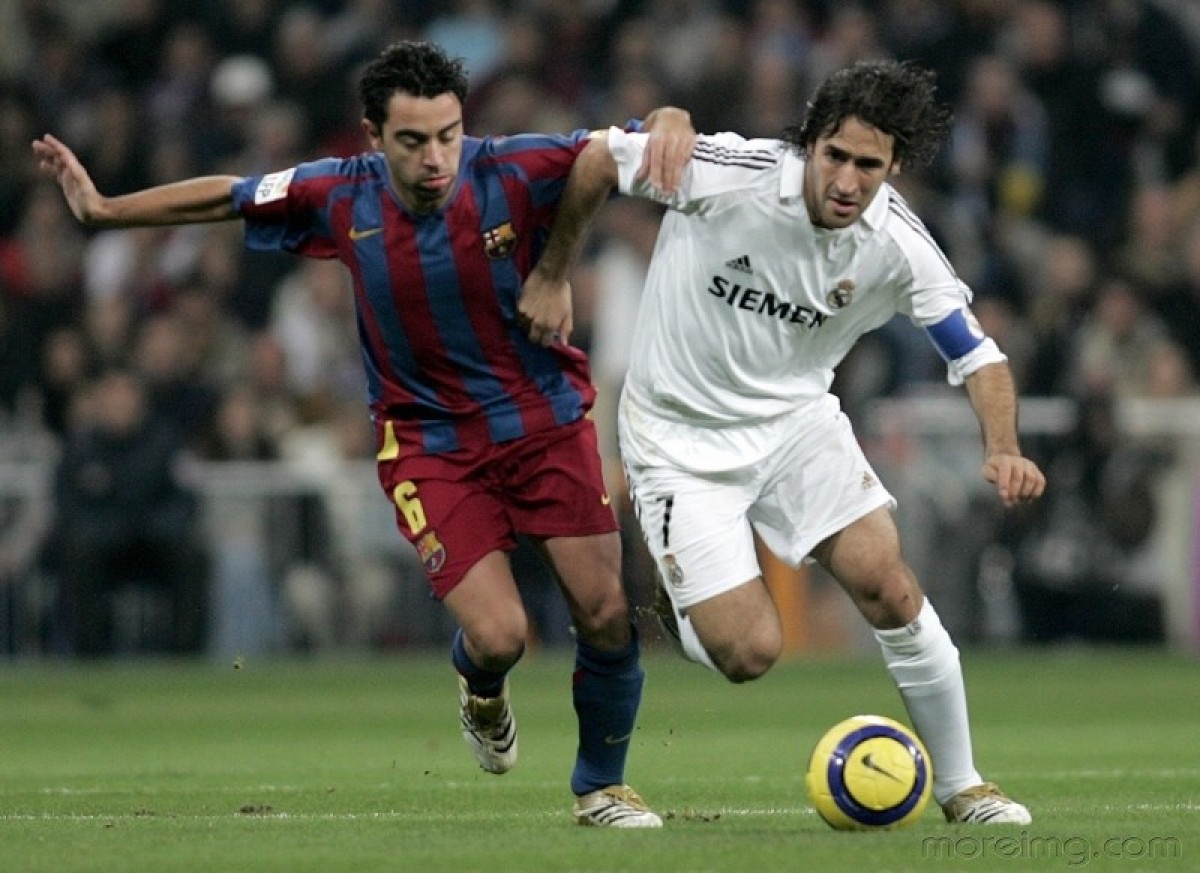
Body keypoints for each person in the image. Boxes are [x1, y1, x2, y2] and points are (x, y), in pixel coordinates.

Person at [33, 40, 695, 828]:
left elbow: (616, 148)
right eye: (413, 141)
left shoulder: (513, 168)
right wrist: (107, 210)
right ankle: (480, 684)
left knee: (605, 610)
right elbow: (230, 197)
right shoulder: (338, 192)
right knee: (500, 635)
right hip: (429, 444)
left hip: (543, 423)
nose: (435, 157)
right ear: (373, 135)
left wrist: (669, 117)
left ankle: (601, 787)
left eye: (448, 134)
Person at [521, 60, 1046, 825]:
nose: (847, 180)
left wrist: (1003, 445)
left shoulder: (897, 242)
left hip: (796, 426)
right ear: (810, 142)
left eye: (869, 165)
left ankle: (964, 785)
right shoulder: (728, 172)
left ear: (894, 166)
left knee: (888, 583)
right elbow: (598, 158)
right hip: (679, 436)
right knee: (749, 652)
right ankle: (680, 594)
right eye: (836, 155)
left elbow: (979, 355)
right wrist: (553, 271)